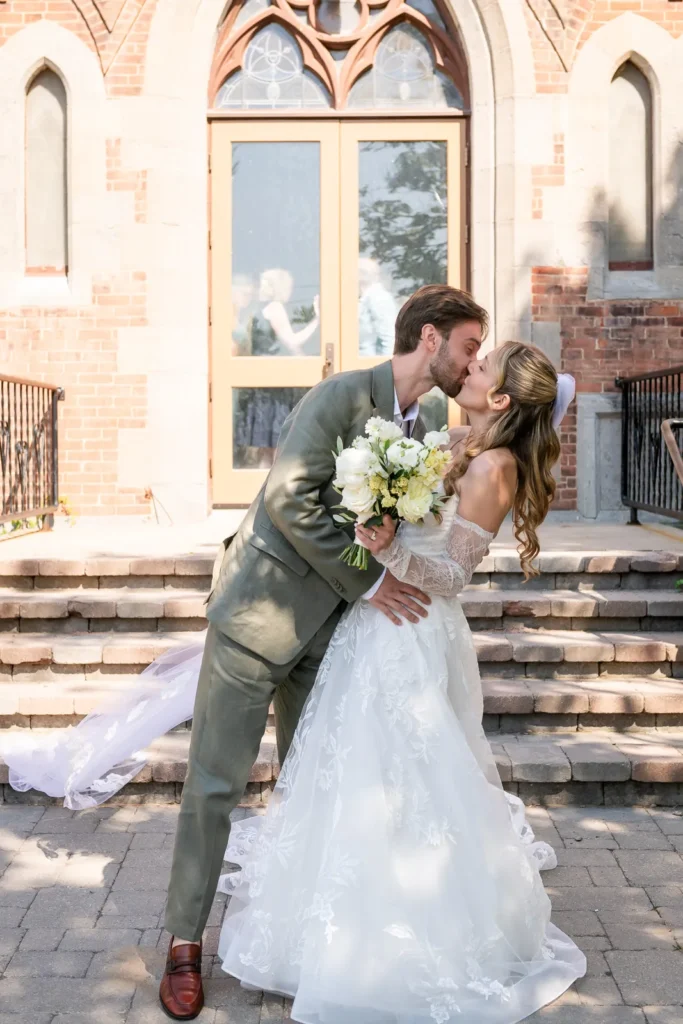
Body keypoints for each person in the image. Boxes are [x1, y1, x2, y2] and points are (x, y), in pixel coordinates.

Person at [2, 295, 585, 1023]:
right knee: (215, 783)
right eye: (469, 345)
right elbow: (287, 499)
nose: (473, 360)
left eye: (480, 355)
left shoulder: (440, 429)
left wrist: (384, 566)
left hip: (347, 641)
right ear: (429, 339)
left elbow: (430, 534)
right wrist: (374, 574)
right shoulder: (342, 396)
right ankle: (184, 944)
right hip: (262, 619)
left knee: (327, 788)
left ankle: (328, 938)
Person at [234, 267, 321, 468]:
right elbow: (291, 342)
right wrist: (316, 320)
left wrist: (317, 321)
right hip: (269, 386)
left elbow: (289, 342)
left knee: (269, 448)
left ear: (275, 287)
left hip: (268, 386)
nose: (260, 286)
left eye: (265, 282)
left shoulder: (270, 308)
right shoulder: (271, 308)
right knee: (272, 447)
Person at [358, 256, 398, 357]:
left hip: (370, 367)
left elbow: (389, 338)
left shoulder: (378, 297)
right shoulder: (364, 297)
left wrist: (386, 370)